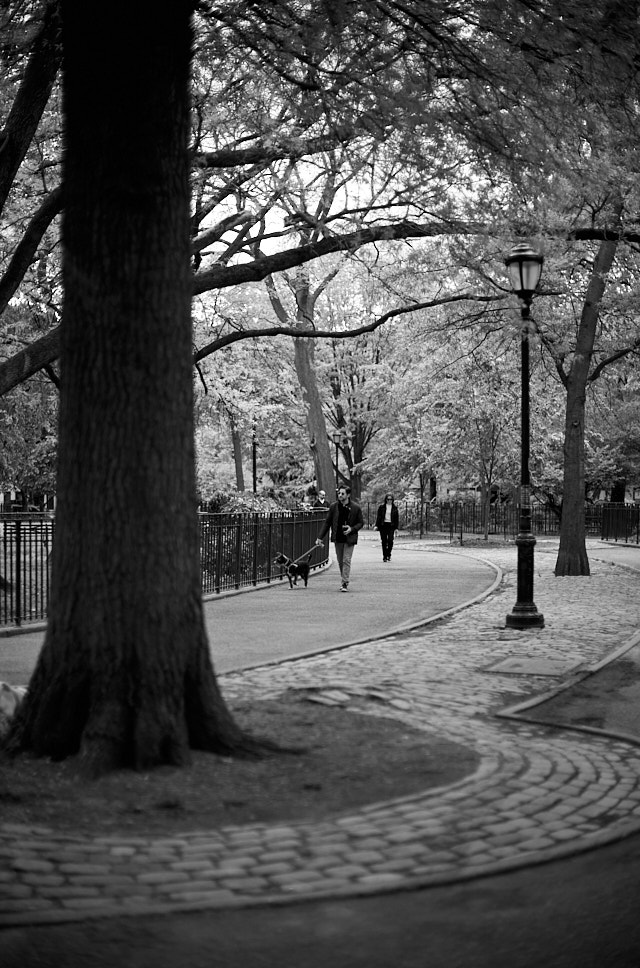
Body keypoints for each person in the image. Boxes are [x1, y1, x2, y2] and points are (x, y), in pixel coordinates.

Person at [315, 485, 364, 592]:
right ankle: (344, 578)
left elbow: (361, 522)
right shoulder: (333, 507)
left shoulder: (355, 508)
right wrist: (320, 537)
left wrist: (352, 529)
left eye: (342, 493)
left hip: (349, 538)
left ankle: (345, 582)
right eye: (339, 493)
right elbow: (327, 523)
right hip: (338, 537)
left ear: (348, 495)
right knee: (341, 561)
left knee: (346, 560)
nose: (340, 495)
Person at [375, 492, 399, 562]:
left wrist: (396, 528)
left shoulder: (394, 508)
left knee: (390, 541)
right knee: (384, 541)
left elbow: (396, 518)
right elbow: (378, 517)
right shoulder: (382, 507)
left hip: (391, 525)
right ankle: (385, 556)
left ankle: (389, 554)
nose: (389, 501)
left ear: (392, 500)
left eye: (391, 499)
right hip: (383, 525)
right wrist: (376, 525)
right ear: (385, 499)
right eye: (388, 499)